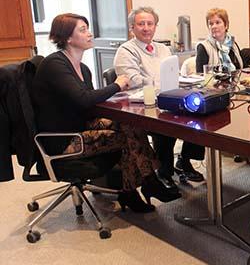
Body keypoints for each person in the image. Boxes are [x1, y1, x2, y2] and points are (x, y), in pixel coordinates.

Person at [33, 13, 180, 213]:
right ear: (67, 37)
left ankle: (141, 185)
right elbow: (84, 99)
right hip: (63, 138)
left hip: (81, 124)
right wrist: (116, 85)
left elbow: (89, 103)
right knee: (126, 137)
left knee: (130, 125)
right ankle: (143, 184)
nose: (89, 33)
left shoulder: (83, 68)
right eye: (83, 30)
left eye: (87, 28)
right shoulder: (55, 64)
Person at [114, 7, 205, 187]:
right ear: (132, 27)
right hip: (142, 105)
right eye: (141, 24)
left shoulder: (163, 48)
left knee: (199, 112)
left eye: (150, 24)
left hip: (166, 97)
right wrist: (160, 83)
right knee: (166, 124)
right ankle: (164, 171)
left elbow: (173, 74)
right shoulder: (126, 51)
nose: (146, 28)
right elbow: (132, 81)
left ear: (155, 26)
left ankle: (184, 160)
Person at [196, 8, 243, 73]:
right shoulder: (203, 47)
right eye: (211, 24)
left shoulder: (232, 44)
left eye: (217, 22)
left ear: (226, 25)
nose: (214, 26)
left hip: (235, 81)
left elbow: (240, 69)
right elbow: (200, 75)